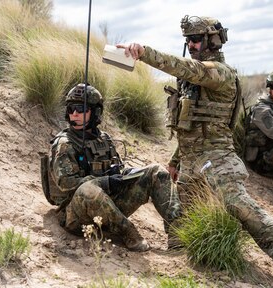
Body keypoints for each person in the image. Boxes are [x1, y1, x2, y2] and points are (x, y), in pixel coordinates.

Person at [117, 15, 273, 287]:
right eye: (188, 40)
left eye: (196, 39)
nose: (191, 44)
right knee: (185, 222)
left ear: (213, 41)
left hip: (218, 161)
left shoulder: (220, 73)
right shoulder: (192, 81)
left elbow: (183, 66)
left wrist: (144, 53)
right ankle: (197, 258)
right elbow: (190, 126)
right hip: (190, 163)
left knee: (244, 209)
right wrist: (176, 159)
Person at [42, 83, 180, 252]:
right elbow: (66, 183)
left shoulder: (104, 139)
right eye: (71, 109)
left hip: (110, 207)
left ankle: (178, 234)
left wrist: (122, 175)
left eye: (80, 108)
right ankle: (129, 232)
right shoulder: (64, 143)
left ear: (95, 112)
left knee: (155, 171)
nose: (75, 114)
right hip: (77, 216)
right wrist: (105, 181)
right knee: (88, 189)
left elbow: (118, 169)